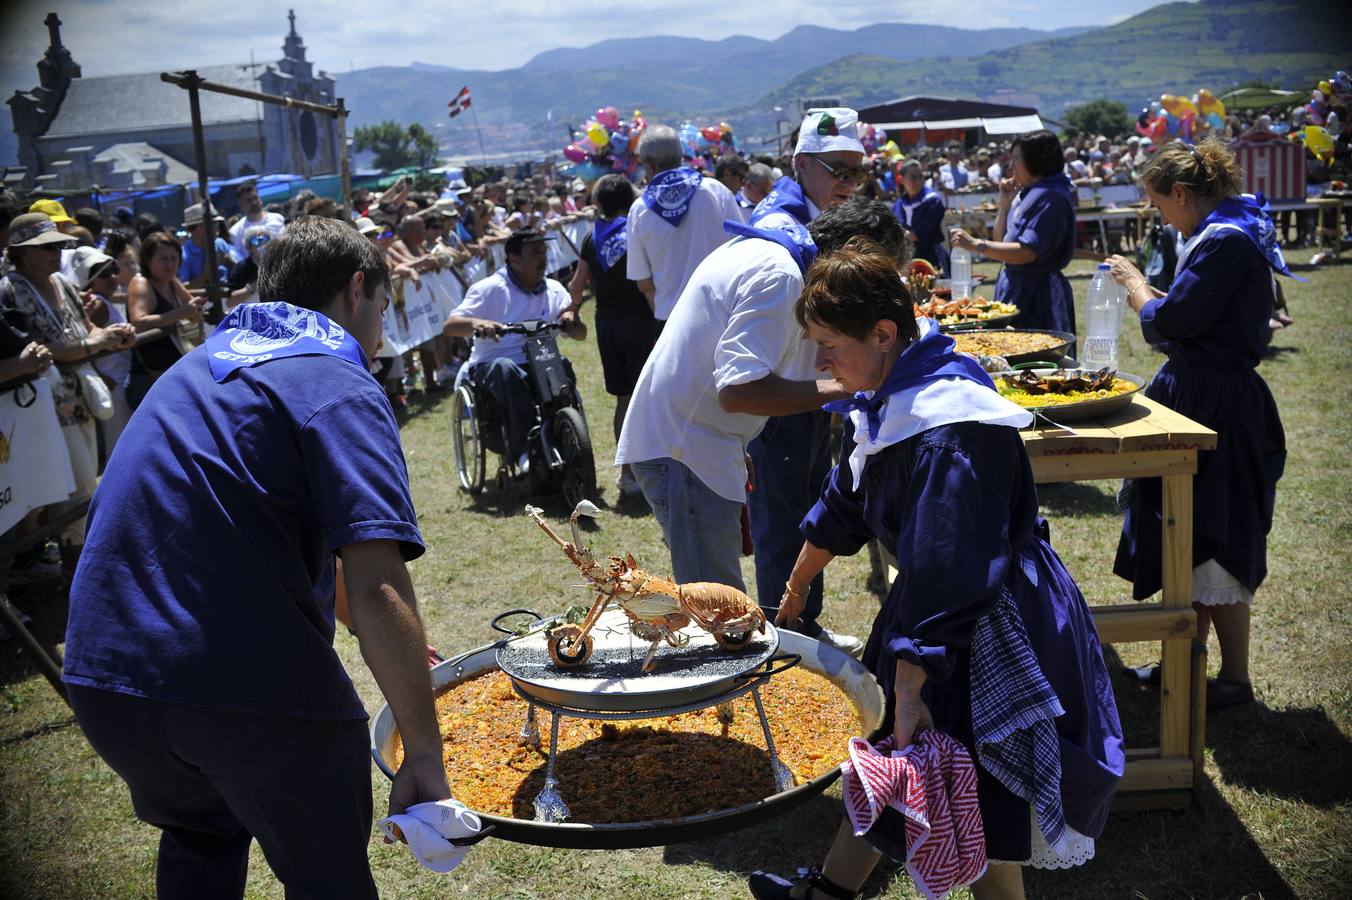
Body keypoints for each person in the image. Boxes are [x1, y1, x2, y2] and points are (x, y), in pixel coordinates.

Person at [62, 216, 458, 898]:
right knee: (328, 880)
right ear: (355, 288)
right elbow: (375, 583)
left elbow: (294, 543)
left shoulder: (196, 367)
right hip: (242, 690)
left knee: (202, 837)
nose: (380, 334)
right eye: (383, 311)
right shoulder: (337, 378)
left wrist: (398, 653)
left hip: (108, 683)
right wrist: (422, 748)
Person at [750, 241, 1123, 900]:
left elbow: (950, 564)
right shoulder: (897, 389)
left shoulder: (950, 427)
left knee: (966, 790)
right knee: (910, 766)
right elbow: (850, 495)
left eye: (829, 342)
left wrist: (914, 680)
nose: (820, 361)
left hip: (976, 624)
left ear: (885, 333)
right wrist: (800, 577)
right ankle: (828, 894)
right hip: (934, 616)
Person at [616, 199, 903, 632]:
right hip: (687, 447)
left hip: (698, 442)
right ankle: (726, 698)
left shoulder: (774, 255)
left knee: (718, 608)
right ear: (850, 262)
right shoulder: (781, 277)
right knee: (717, 617)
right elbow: (736, 391)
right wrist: (844, 387)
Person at [1103, 140, 1288, 710]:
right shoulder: (1225, 232)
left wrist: (1137, 288)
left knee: (1217, 533)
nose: (1162, 217)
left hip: (1217, 403)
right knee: (1188, 531)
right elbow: (1194, 315)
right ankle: (1183, 659)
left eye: (1160, 206)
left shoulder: (1226, 241)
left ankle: (1232, 680)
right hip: (1204, 392)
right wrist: (1155, 297)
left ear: (1181, 193)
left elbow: (1175, 320)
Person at [740, 108, 871, 656]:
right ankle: (782, 637)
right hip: (783, 396)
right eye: (836, 169)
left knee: (808, 509)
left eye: (856, 172)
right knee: (784, 523)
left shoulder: (808, 214)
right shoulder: (782, 225)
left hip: (808, 390)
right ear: (800, 164)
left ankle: (803, 625)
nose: (848, 184)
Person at [0, 213, 137, 566]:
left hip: (80, 396)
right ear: (23, 253)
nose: (55, 252)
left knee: (85, 480)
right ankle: (74, 564)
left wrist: (109, 336)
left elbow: (87, 329)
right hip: (44, 402)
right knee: (72, 488)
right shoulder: (12, 289)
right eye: (45, 247)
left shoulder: (61, 281)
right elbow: (39, 353)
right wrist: (97, 344)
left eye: (57, 244)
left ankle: (76, 559)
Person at [443, 227, 585, 474]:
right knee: (505, 369)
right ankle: (522, 451)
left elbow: (581, 335)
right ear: (514, 260)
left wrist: (572, 320)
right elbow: (450, 327)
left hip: (541, 359)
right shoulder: (489, 289)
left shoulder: (554, 289)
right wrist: (477, 323)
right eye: (535, 253)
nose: (543, 258)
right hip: (494, 363)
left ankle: (568, 432)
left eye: (544, 251)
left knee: (563, 364)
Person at [566, 175, 662, 497]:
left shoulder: (592, 237)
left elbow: (577, 284)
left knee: (623, 399)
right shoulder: (636, 229)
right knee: (645, 397)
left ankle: (626, 473)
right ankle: (646, 467)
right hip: (640, 321)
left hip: (606, 324)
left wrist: (573, 310)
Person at [950, 130, 1077, 334]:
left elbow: (1027, 252)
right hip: (1018, 287)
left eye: (1016, 158)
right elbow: (1000, 241)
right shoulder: (1030, 194)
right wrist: (1004, 207)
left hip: (1039, 294)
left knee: (1039, 356)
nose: (1010, 166)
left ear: (1035, 160)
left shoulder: (1051, 197)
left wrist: (975, 244)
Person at [626, 124, 742, 321]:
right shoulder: (716, 191)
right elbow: (742, 249)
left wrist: (669, 323)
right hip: (724, 314)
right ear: (680, 156)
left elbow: (644, 283)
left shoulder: (639, 209)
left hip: (671, 319)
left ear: (650, 165)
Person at [126, 231, 209, 408]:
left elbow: (191, 306)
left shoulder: (172, 280)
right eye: (163, 258)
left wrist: (195, 309)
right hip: (150, 380)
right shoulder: (141, 283)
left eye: (174, 258)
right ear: (148, 261)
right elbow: (139, 322)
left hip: (173, 375)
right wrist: (182, 312)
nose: (170, 264)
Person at [71, 246, 134, 458]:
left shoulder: (103, 301)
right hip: (113, 384)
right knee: (119, 448)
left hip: (118, 380)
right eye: (103, 274)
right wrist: (101, 376)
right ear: (89, 280)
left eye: (114, 270)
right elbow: (86, 340)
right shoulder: (97, 304)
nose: (113, 277)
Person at [892, 158, 950, 276]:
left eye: (921, 176)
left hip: (931, 256)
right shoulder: (899, 203)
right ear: (901, 180)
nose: (918, 181)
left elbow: (919, 234)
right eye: (913, 177)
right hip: (906, 258)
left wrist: (895, 235)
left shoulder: (933, 201)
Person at [227, 180, 286, 262]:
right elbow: (238, 260)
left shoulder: (278, 219)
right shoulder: (236, 232)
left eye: (255, 198)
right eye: (249, 200)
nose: (254, 202)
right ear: (241, 205)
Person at [177, 203, 230, 291]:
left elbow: (239, 272)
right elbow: (182, 290)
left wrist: (228, 260)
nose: (217, 227)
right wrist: (206, 274)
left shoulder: (220, 243)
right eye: (212, 223)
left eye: (216, 223)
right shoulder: (183, 256)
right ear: (196, 228)